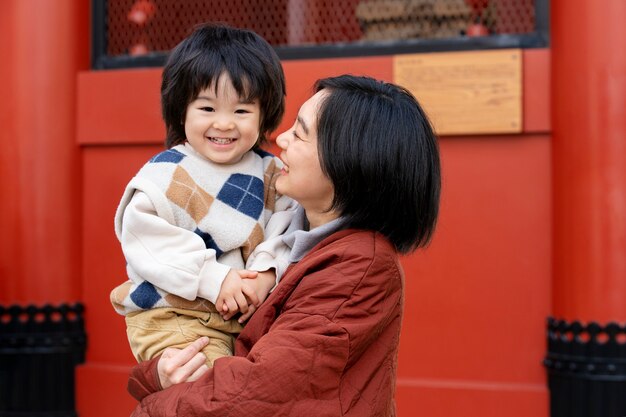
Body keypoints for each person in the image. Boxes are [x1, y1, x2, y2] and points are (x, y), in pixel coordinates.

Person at [127, 74, 441, 417]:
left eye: (301, 132)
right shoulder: (284, 230)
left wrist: (149, 400)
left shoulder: (361, 265)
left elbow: (252, 395)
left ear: (348, 161)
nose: (281, 138)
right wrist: (157, 374)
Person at [109, 23, 295, 367]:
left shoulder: (272, 174)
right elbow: (145, 238)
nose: (224, 123)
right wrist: (216, 278)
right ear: (182, 110)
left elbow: (287, 229)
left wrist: (266, 274)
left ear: (264, 113)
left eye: (241, 111)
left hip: (245, 317)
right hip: (175, 315)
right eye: (207, 109)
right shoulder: (167, 172)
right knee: (211, 387)